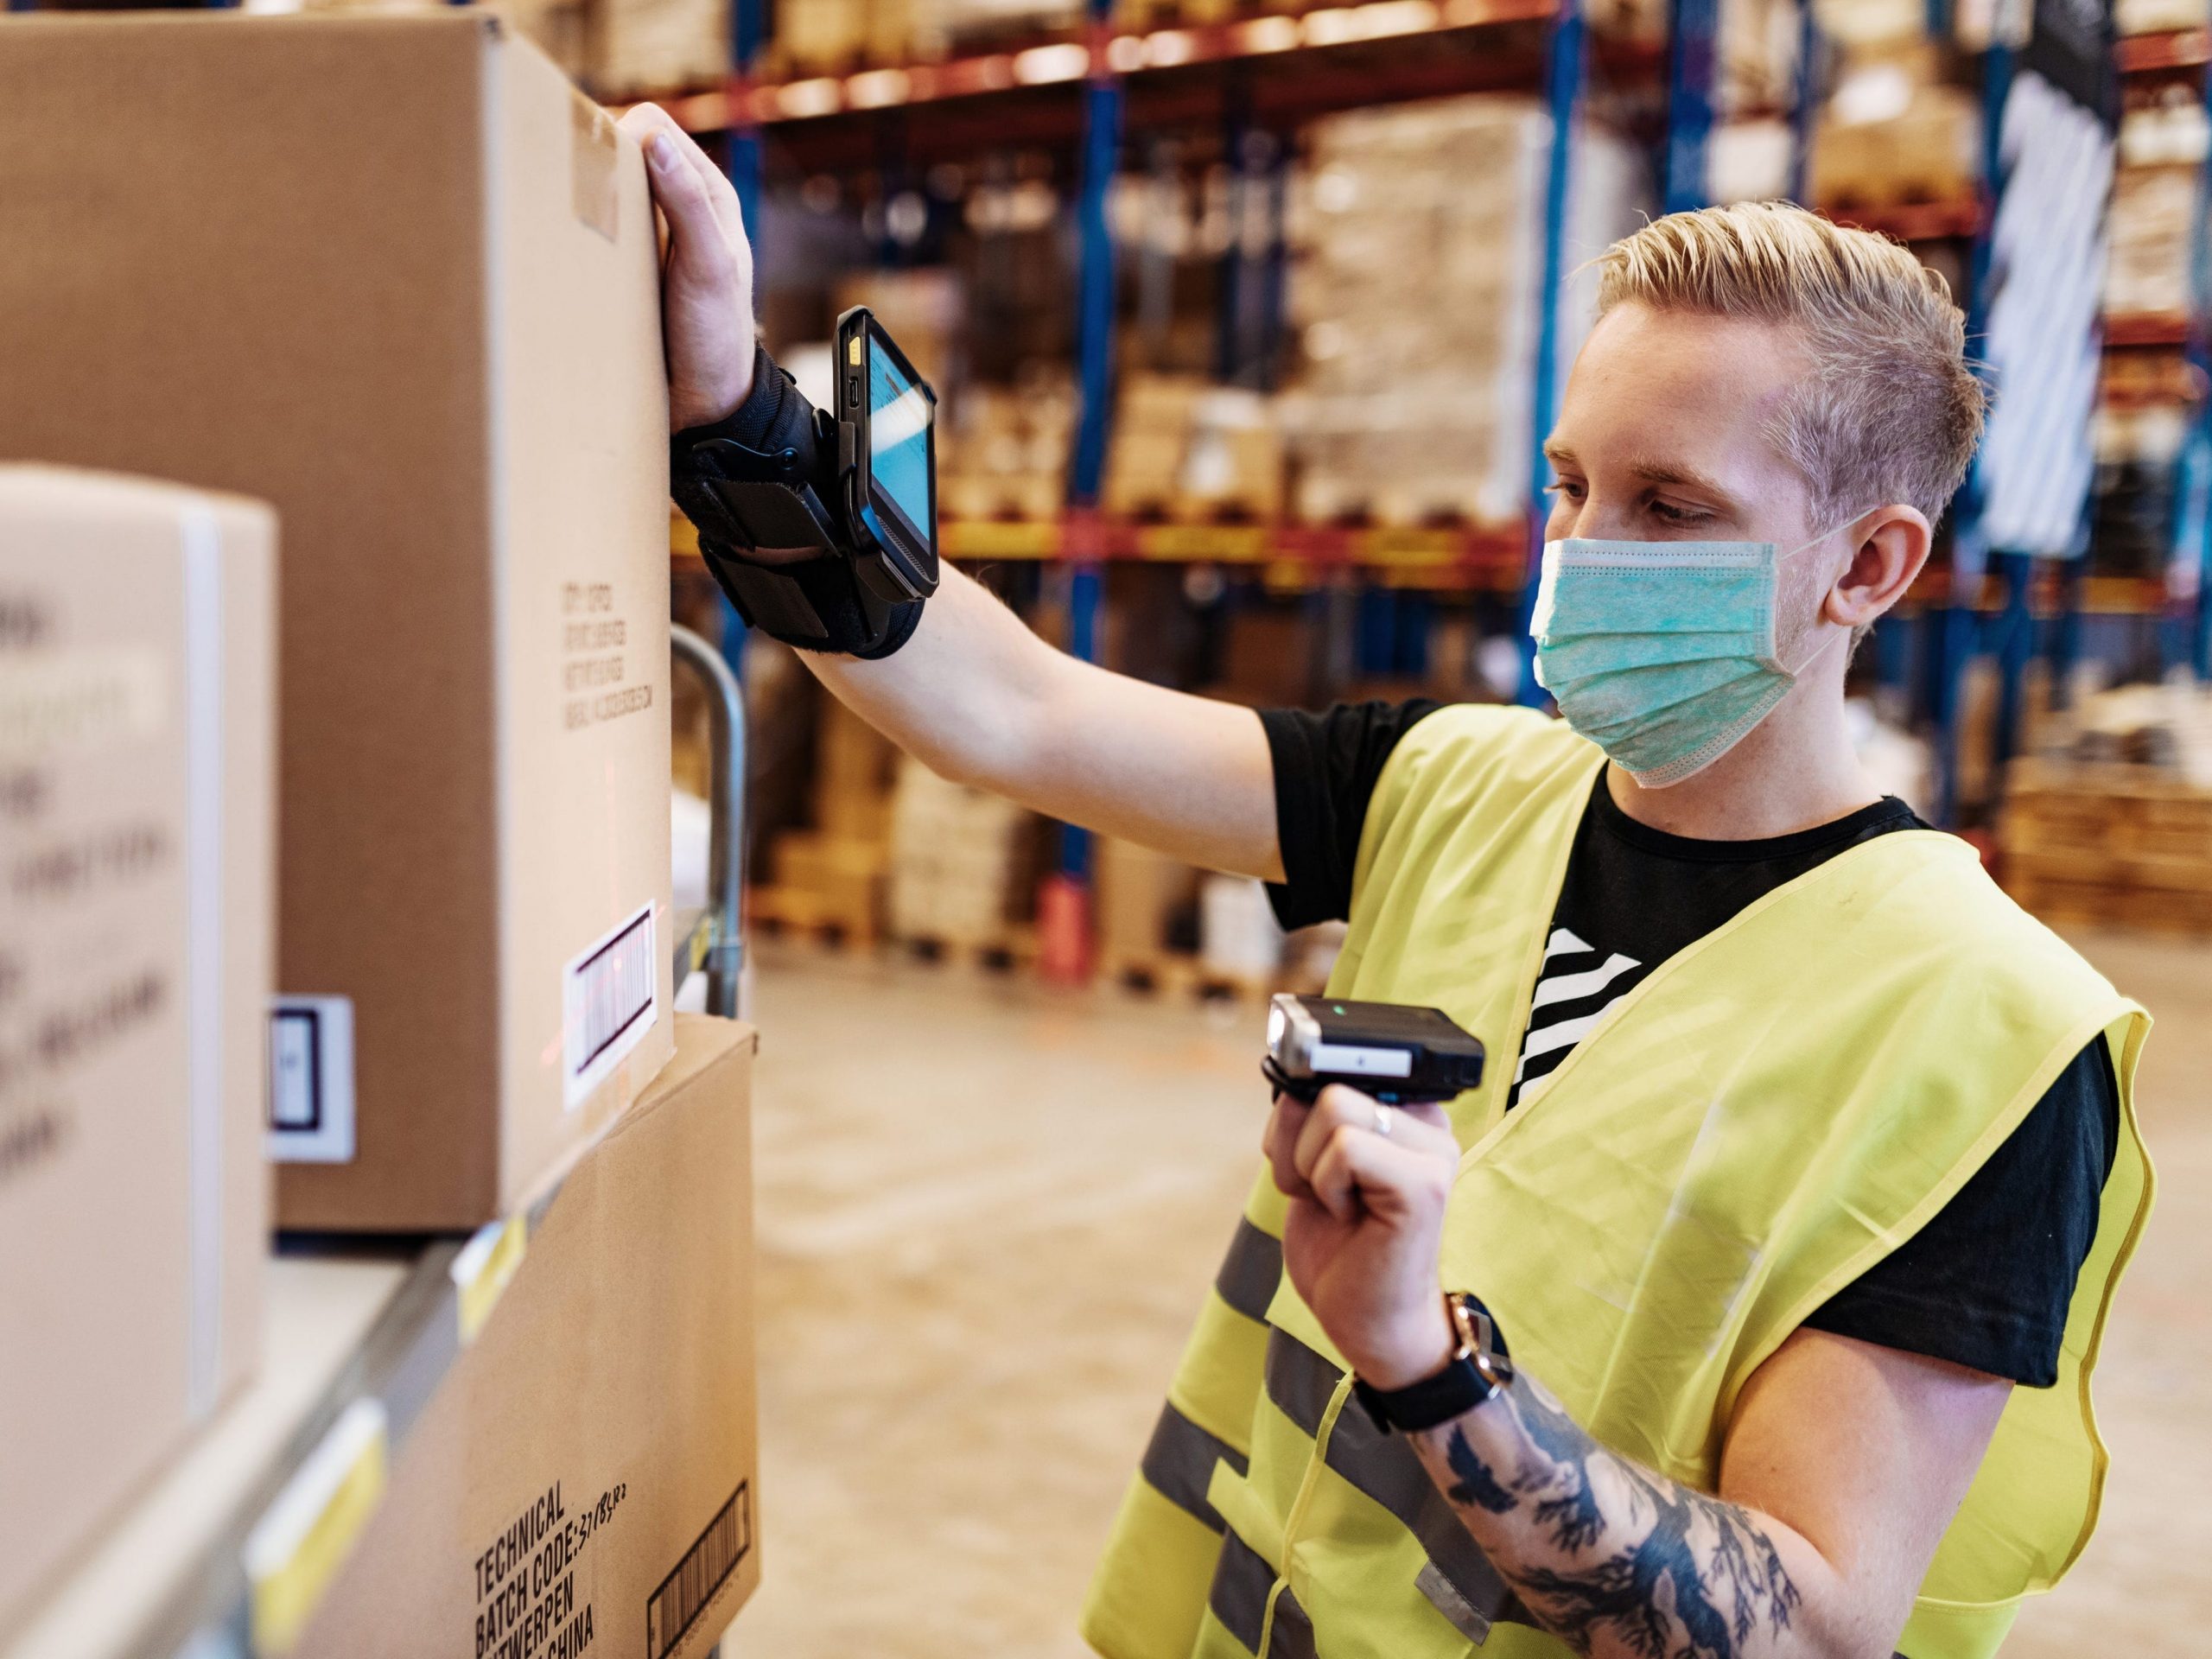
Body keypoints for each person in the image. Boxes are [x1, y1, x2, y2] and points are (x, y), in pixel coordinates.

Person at [622, 102, 2154, 1659]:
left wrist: (1431, 1365)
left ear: (1870, 565)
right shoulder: (1450, 782)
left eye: (1671, 509)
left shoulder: (1992, 1033)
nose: (1584, 553)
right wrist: (738, 412)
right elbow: (1013, 711)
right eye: (1570, 486)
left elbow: (1815, 1627)